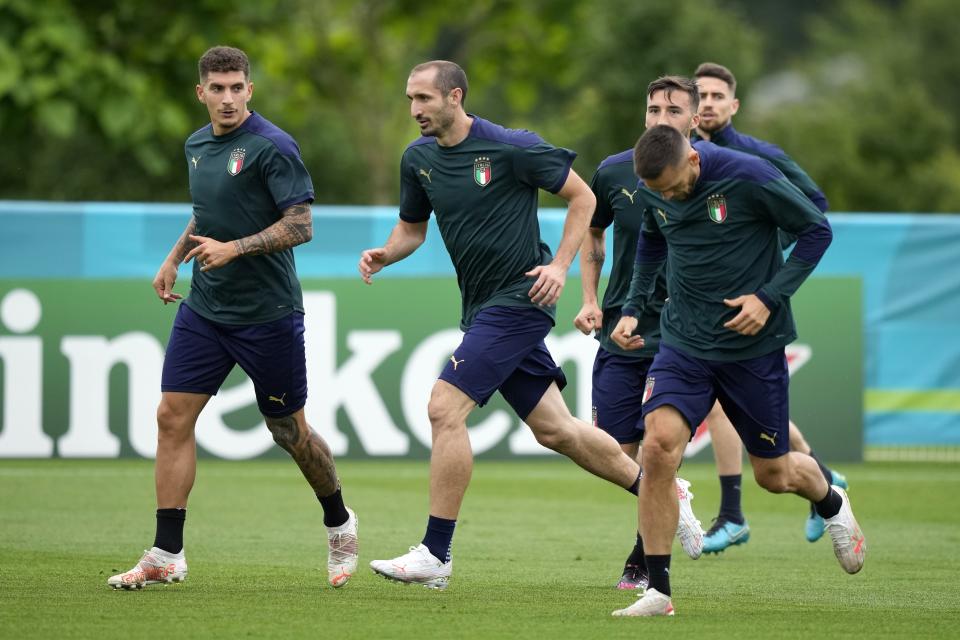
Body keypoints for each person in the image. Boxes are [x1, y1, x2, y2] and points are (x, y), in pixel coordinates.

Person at [360, 60, 643, 590]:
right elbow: (411, 231)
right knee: (557, 431)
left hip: (521, 298)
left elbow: (584, 197)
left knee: (444, 407)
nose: (415, 110)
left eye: (424, 99)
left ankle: (435, 554)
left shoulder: (512, 146)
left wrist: (559, 266)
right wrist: (385, 255)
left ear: (455, 97)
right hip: (482, 305)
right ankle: (663, 494)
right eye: (409, 100)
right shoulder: (417, 159)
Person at [107, 46, 358, 590]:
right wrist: (174, 259)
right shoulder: (197, 145)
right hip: (206, 308)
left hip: (267, 315)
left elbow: (301, 225)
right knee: (172, 416)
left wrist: (237, 248)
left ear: (250, 90)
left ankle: (338, 521)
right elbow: (208, 210)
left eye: (236, 88)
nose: (226, 98)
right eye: (216, 89)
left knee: (288, 431)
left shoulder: (273, 147)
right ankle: (166, 553)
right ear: (201, 93)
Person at [610, 125, 866, 617]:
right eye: (655, 192)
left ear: (694, 161)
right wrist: (631, 307)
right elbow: (650, 238)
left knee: (774, 473)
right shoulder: (655, 188)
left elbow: (817, 231)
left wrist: (768, 298)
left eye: (671, 187)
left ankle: (830, 500)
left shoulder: (750, 176)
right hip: (683, 341)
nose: (665, 198)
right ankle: (658, 591)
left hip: (751, 347)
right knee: (659, 448)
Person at [691, 61, 847, 552]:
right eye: (702, 95)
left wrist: (764, 246)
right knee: (729, 401)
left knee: (720, 397)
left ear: (733, 105)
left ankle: (735, 512)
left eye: (719, 95)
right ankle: (820, 474)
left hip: (747, 295)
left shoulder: (760, 157)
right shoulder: (681, 157)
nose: (709, 103)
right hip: (697, 292)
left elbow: (813, 204)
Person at [574, 76, 705, 592]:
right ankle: (676, 496)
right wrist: (588, 298)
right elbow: (592, 228)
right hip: (622, 328)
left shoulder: (712, 175)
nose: (659, 118)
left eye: (673, 110)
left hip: (684, 333)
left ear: (694, 119)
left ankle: (643, 558)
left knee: (661, 446)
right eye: (653, 108)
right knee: (612, 449)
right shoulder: (611, 172)